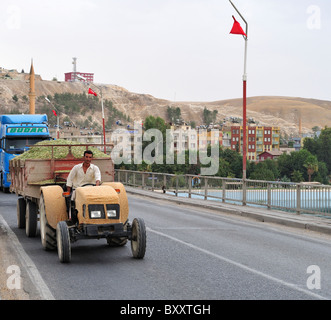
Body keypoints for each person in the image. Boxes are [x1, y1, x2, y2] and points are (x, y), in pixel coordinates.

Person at [66, 150, 101, 220]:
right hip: (78, 190)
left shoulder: (95, 168)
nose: (88, 159)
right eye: (87, 157)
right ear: (83, 157)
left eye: (90, 157)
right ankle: (72, 217)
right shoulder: (76, 168)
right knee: (73, 202)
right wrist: (68, 193)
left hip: (91, 190)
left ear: (92, 158)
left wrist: (97, 188)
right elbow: (70, 179)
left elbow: (98, 178)